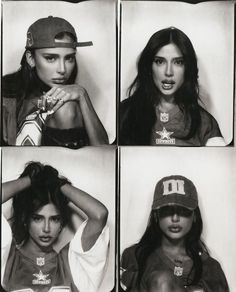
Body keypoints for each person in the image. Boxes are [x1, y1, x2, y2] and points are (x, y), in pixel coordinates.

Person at [2, 16, 108, 148]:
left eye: (69, 58)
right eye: (51, 58)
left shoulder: (69, 102)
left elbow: (104, 152)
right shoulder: (6, 96)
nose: (62, 70)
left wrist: (82, 95)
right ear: (31, 59)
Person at [1, 162, 109, 292]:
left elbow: (99, 215)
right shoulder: (8, 260)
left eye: (54, 219)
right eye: (37, 218)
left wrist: (58, 184)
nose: (46, 228)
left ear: (61, 223)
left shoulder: (71, 262)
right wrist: (31, 179)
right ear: (25, 219)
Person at [120, 175, 229, 292]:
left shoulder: (210, 268)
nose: (175, 218)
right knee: (162, 280)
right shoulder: (134, 257)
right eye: (167, 210)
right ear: (156, 215)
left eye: (183, 211)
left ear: (194, 216)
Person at [119, 27, 225, 146]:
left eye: (178, 62)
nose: (168, 72)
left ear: (187, 67)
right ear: (149, 66)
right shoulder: (125, 113)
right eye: (160, 61)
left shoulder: (205, 124)